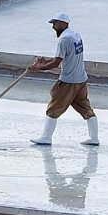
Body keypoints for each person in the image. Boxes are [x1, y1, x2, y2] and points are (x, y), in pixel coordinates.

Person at [27, 11, 99, 147]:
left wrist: (37, 68)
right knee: (85, 108)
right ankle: (94, 138)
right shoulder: (76, 35)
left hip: (69, 80)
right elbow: (63, 57)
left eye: (55, 23)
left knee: (53, 107)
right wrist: (44, 61)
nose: (53, 26)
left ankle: (46, 137)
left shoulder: (64, 39)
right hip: (81, 79)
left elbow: (56, 63)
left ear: (63, 24)